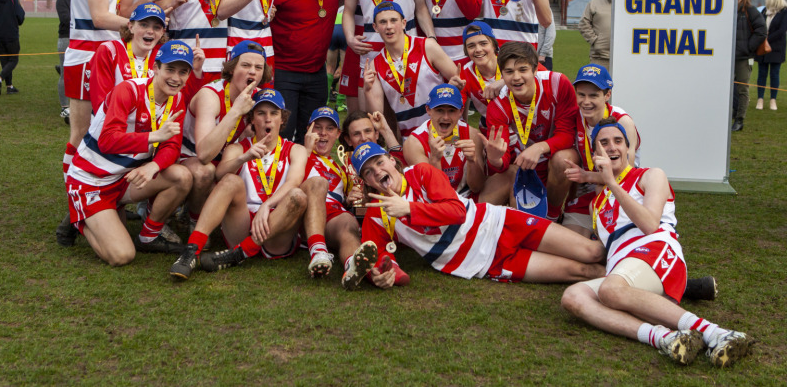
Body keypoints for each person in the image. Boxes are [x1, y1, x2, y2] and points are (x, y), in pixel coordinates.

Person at [561, 118, 752, 367]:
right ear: (595, 152)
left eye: (618, 141)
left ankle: (716, 333)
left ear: (628, 149)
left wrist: (611, 183)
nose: (612, 148)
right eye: (603, 143)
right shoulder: (594, 204)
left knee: (610, 289)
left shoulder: (651, 175)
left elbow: (650, 224)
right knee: (573, 297)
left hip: (656, 252)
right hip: (626, 273)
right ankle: (666, 337)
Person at [352, 142, 606, 289]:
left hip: (499, 222)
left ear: (390, 160)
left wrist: (410, 209)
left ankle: (638, 256)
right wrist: (388, 275)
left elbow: (457, 211)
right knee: (584, 271)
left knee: (593, 252)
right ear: (367, 183)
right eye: (369, 172)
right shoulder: (376, 212)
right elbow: (381, 255)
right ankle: (627, 282)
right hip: (483, 262)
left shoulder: (420, 173)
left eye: (379, 162)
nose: (378, 171)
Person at [168, 89, 331, 280]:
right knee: (230, 180)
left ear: (282, 119)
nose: (268, 119)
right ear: (252, 119)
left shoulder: (295, 149)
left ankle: (243, 252)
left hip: (279, 225)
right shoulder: (238, 148)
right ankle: (192, 251)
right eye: (261, 113)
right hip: (242, 224)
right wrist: (244, 157)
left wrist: (267, 205)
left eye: (274, 113)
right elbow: (219, 175)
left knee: (298, 195)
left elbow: (294, 182)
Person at [64, 41, 195, 266]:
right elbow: (106, 141)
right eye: (170, 69)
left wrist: (153, 166)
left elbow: (171, 146)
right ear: (155, 68)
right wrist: (154, 136)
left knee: (182, 177)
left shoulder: (177, 99)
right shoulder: (129, 89)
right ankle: (79, 218)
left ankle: (148, 236)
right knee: (122, 256)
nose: (176, 77)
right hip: (92, 180)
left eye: (183, 72)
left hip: (124, 179)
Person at [62, 0, 146, 177]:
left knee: (107, 130)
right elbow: (99, 17)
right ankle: (75, 198)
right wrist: (141, 28)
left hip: (101, 53)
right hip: (88, 55)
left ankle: (99, 193)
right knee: (84, 133)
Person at [179, 40, 270, 228]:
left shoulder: (259, 96)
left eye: (258, 67)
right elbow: (204, 154)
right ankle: (194, 219)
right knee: (205, 172)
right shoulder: (211, 95)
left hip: (224, 158)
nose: (252, 71)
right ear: (231, 69)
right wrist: (235, 111)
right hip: (190, 158)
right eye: (245, 65)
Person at [482, 41, 578, 218]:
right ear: (501, 75)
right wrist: (495, 159)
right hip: (520, 166)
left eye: (523, 70)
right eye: (509, 72)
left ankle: (553, 216)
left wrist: (539, 147)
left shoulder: (558, 83)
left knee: (564, 159)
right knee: (482, 207)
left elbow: (567, 135)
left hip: (551, 160)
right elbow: (502, 162)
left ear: (535, 70)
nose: (516, 77)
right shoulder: (497, 105)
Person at [269, 0, 346, 142]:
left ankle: (307, 175)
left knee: (311, 133)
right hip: (285, 73)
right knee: (282, 133)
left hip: (317, 74)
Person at [302, 107, 379, 289]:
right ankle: (318, 251)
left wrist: (349, 199)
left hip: (331, 217)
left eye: (329, 129)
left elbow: (343, 201)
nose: (322, 133)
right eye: (317, 128)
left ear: (337, 134)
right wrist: (305, 150)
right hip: (302, 212)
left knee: (347, 223)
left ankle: (352, 265)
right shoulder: (295, 152)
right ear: (308, 131)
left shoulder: (340, 168)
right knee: (318, 183)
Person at [362, 1, 460, 139]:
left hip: (445, 131)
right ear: (375, 27)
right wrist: (367, 90)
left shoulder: (427, 46)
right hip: (411, 139)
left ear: (403, 23)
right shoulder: (375, 65)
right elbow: (377, 115)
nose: (389, 27)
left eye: (393, 20)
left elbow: (459, 81)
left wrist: (454, 86)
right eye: (383, 22)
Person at [562, 64, 640, 237]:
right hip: (585, 188)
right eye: (581, 95)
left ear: (607, 95)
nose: (586, 102)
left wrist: (588, 176)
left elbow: (626, 174)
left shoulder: (622, 121)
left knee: (607, 244)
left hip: (618, 189)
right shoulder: (574, 116)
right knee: (573, 246)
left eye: (593, 95)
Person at [403, 83, 490, 200]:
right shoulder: (414, 143)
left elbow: (477, 187)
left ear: (461, 111)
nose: (445, 117)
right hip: (436, 205)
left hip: (469, 199)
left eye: (452, 110)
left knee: (509, 175)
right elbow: (434, 193)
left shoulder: (472, 134)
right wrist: (435, 159)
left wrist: (472, 161)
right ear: (428, 110)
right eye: (439, 110)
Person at [732, 0, 767, 132]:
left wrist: (748, 47)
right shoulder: (726, 11)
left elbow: (761, 31)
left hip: (744, 58)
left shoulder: (750, 11)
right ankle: (732, 113)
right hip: (728, 57)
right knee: (729, 88)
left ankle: (740, 119)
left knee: (742, 88)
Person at [754, 0, 787, 111]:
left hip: (776, 48)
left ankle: (773, 100)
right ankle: (760, 99)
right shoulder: (763, 12)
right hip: (763, 48)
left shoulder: (784, 13)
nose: (765, 1)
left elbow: (782, 30)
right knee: (761, 74)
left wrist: (767, 38)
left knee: (774, 74)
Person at [578, 0, 612, 68]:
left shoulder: (626, 6)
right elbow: (583, 23)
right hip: (599, 58)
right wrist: (595, 40)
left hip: (621, 57)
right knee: (598, 83)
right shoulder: (595, 3)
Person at [56, 0, 74, 122]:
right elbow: (65, 18)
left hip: (82, 38)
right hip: (66, 38)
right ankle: (64, 107)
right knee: (64, 73)